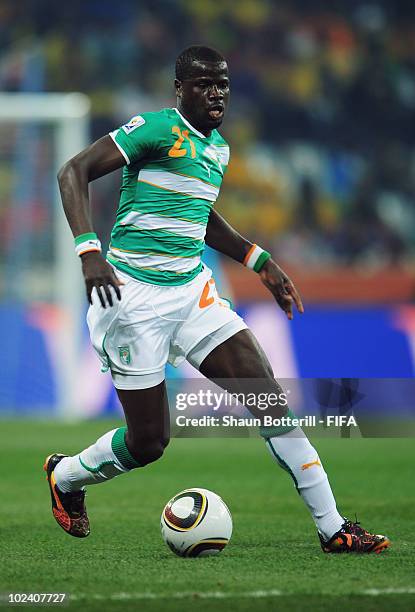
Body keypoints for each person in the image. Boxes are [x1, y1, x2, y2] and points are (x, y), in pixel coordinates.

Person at [44, 46, 389, 554]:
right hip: (131, 297)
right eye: (204, 84)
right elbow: (72, 171)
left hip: (191, 294)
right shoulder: (155, 129)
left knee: (270, 399)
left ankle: (333, 528)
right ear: (179, 89)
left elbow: (198, 215)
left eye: (223, 84)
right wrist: (89, 251)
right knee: (149, 442)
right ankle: (67, 476)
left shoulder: (218, 150)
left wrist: (258, 260)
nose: (217, 93)